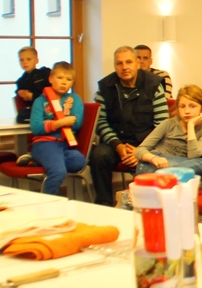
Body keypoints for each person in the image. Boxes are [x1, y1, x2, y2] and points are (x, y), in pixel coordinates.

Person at [90, 46, 168, 206]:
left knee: (151, 161)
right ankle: (104, 205)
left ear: (137, 63)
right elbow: (100, 122)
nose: (124, 67)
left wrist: (141, 152)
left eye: (128, 62)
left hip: (146, 143)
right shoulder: (104, 88)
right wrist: (117, 145)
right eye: (119, 63)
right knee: (98, 156)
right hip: (116, 142)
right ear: (114, 66)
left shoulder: (154, 85)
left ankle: (142, 204)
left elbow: (162, 126)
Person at [28, 61, 85, 195]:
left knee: (79, 161)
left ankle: (38, 161)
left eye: (68, 79)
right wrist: (60, 123)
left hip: (65, 145)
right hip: (44, 143)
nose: (64, 82)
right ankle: (47, 203)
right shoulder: (40, 101)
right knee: (58, 171)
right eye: (59, 78)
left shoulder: (74, 99)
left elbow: (77, 123)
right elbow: (36, 128)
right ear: (50, 79)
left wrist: (49, 122)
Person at [134, 85, 202, 176]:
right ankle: (169, 174)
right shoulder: (168, 124)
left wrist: (191, 125)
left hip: (180, 165)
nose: (187, 111)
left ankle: (167, 174)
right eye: (182, 106)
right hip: (156, 162)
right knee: (147, 165)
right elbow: (139, 150)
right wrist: (153, 158)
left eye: (192, 106)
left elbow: (193, 156)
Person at [14, 46, 51, 123]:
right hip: (34, 109)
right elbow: (19, 91)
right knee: (21, 117)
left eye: (28, 59)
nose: (25, 62)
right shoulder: (21, 81)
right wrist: (19, 92)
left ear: (36, 60)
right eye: (21, 60)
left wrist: (32, 96)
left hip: (49, 106)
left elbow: (51, 94)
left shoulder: (45, 73)